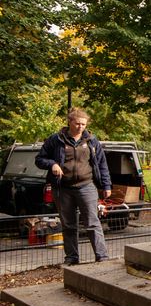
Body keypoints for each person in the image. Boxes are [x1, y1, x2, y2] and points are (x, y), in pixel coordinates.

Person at [35, 108, 111, 265]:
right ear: (69, 122)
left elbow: (102, 164)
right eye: (77, 123)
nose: (80, 127)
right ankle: (72, 258)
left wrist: (106, 185)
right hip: (63, 188)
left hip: (87, 186)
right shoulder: (55, 140)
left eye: (83, 124)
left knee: (92, 222)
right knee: (68, 225)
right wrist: (52, 164)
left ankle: (102, 256)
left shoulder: (92, 140)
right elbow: (39, 159)